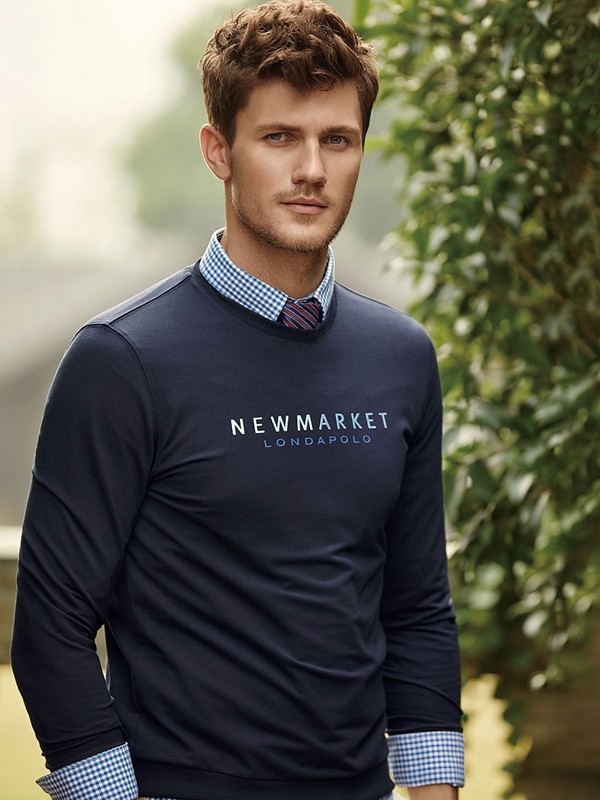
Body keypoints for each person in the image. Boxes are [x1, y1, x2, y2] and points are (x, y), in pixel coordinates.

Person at [11, 2, 464, 799]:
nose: (312, 169)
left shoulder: (401, 357)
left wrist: (433, 789)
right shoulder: (121, 360)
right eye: (280, 137)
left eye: (338, 139)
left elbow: (417, 606)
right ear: (219, 151)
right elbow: (51, 627)